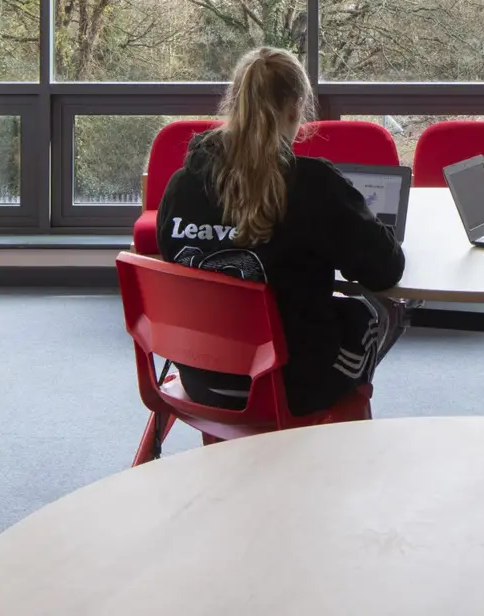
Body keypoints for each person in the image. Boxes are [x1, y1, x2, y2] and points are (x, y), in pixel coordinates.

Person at [158, 47, 407, 416]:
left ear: (234, 103)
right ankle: (342, 440)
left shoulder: (182, 185)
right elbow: (386, 269)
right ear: (296, 108)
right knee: (372, 316)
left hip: (202, 379)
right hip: (289, 386)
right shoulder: (314, 186)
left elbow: (176, 266)